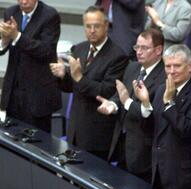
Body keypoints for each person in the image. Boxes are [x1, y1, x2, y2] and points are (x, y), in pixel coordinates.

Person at [134, 44, 191, 189]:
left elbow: (187, 129)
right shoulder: (161, 89)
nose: (171, 71)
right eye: (168, 66)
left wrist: (169, 103)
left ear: (190, 67)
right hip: (160, 173)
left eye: (177, 66)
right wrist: (146, 104)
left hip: (186, 182)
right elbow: (150, 130)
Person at [50, 6, 128, 160]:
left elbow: (106, 92)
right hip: (76, 129)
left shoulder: (118, 56)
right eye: (88, 26)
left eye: (96, 26)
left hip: (97, 135)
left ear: (106, 26)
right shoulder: (79, 48)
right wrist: (63, 76)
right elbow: (72, 87)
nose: (92, 30)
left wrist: (79, 77)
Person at [97, 28, 165, 181]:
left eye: (144, 48)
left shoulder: (164, 78)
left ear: (158, 50)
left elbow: (151, 115)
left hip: (144, 153)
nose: (139, 52)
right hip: (121, 143)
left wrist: (127, 102)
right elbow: (120, 95)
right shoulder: (132, 67)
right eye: (137, 47)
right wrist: (112, 105)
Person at [0, 0, 61, 132]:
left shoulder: (50, 15)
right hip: (13, 93)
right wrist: (4, 40)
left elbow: (46, 51)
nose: (24, 1)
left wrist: (16, 36)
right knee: (12, 142)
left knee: (37, 145)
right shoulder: (11, 12)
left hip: (37, 94)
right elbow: (4, 47)